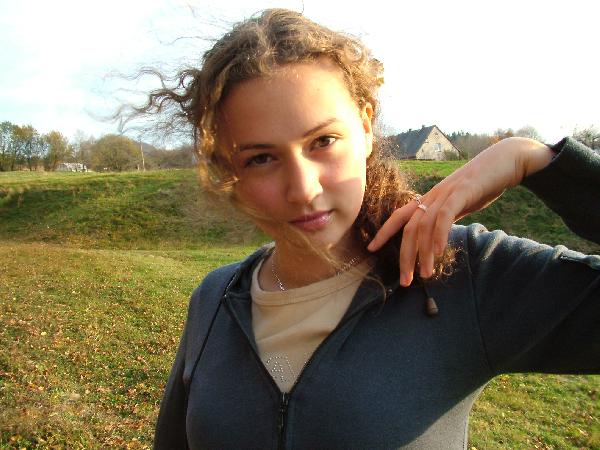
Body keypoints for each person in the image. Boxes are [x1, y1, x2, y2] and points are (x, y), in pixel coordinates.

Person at [146, 8, 600, 449]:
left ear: (365, 127)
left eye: (323, 141)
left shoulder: (457, 272)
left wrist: (536, 162)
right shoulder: (215, 298)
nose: (304, 190)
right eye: (261, 158)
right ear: (229, 169)